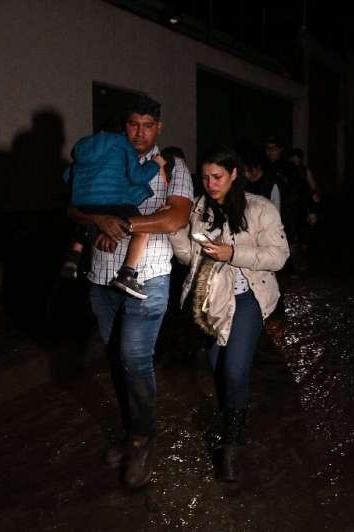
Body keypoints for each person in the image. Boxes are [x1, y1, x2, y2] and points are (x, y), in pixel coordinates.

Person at [68, 95, 193, 488]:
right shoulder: (105, 158)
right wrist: (96, 218)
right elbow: (71, 206)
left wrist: (121, 224)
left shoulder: (172, 165)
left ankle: (141, 439)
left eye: (147, 125)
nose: (140, 132)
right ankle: (131, 430)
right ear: (125, 126)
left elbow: (175, 216)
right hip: (102, 279)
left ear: (159, 128)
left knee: (135, 359)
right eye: (133, 124)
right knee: (116, 361)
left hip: (149, 278)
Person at [169, 145, 289, 482]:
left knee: (235, 370)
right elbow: (186, 258)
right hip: (209, 300)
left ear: (234, 174)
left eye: (217, 176)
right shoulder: (200, 208)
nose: (210, 183)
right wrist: (177, 231)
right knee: (220, 370)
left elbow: (278, 256)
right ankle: (230, 418)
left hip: (248, 297)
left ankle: (232, 446)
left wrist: (232, 252)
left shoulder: (260, 208)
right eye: (205, 177)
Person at [60, 129, 167, 300]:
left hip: (84, 201)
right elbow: (136, 177)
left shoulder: (83, 147)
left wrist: (88, 189)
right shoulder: (122, 144)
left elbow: (68, 176)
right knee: (143, 229)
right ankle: (127, 274)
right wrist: (155, 164)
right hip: (115, 200)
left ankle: (72, 259)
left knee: (84, 220)